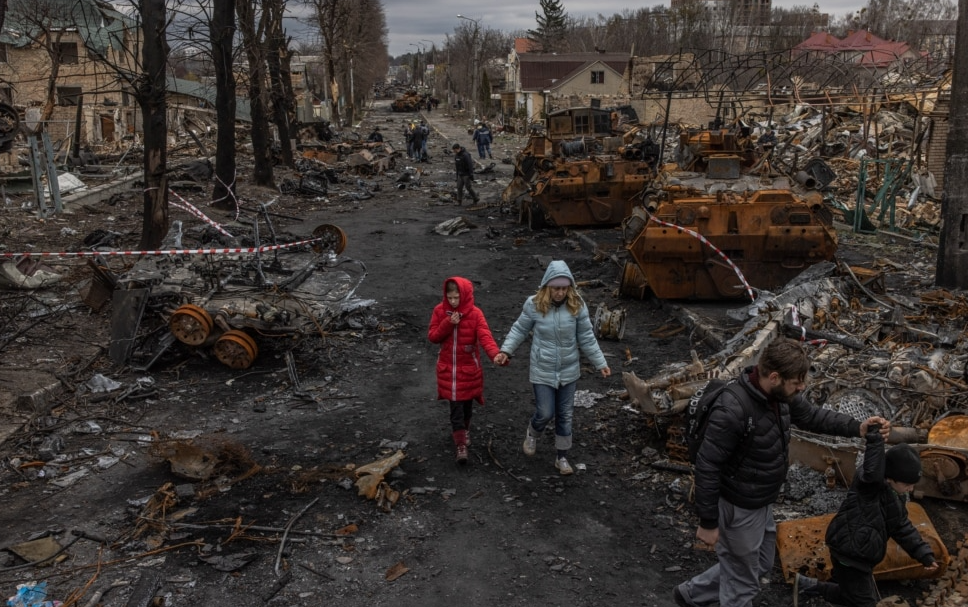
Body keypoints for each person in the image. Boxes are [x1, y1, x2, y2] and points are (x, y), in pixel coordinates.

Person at [673, 337, 891, 607]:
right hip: (738, 506)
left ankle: (692, 595)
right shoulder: (733, 409)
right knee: (742, 585)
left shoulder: (779, 397)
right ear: (774, 377)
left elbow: (812, 417)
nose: (801, 387)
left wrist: (858, 427)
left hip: (761, 501)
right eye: (796, 382)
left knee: (761, 564)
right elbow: (707, 465)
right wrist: (708, 522)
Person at [494, 260, 611, 476]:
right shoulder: (534, 305)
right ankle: (533, 432)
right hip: (543, 368)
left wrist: (600, 363)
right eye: (556, 288)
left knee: (565, 415)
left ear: (570, 287)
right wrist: (506, 351)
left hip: (569, 370)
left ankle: (562, 457)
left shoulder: (577, 305)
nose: (560, 293)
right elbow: (519, 329)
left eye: (564, 288)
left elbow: (586, 337)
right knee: (545, 412)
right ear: (547, 286)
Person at [793, 435, 938, 607]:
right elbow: (872, 470)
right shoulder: (870, 487)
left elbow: (901, 526)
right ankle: (808, 587)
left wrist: (923, 553)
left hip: (860, 556)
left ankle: (806, 586)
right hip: (850, 555)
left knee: (851, 595)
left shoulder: (894, 496)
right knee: (865, 602)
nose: (911, 489)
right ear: (890, 477)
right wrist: (876, 438)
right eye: (907, 484)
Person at [427, 277, 501, 464]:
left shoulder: (475, 314)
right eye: (450, 298)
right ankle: (460, 445)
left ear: (465, 296)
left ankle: (464, 430)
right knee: (456, 408)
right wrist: (448, 323)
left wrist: (496, 355)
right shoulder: (439, 311)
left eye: (456, 298)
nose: (453, 302)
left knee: (466, 406)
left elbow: (485, 337)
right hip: (448, 372)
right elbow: (433, 336)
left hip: (468, 371)